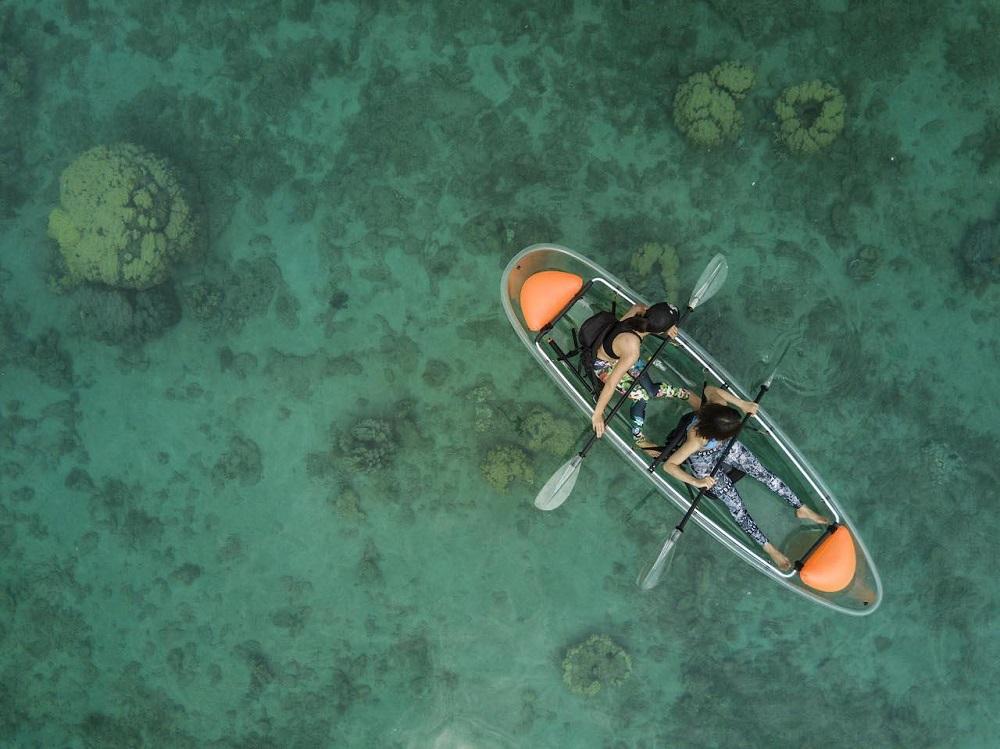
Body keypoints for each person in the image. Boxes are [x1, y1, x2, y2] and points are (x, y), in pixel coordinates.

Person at [660, 386, 828, 570]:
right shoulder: (696, 439)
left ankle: (802, 508)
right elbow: (669, 465)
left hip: (724, 445)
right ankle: (770, 549)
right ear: (720, 435)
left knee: (765, 475)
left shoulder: (718, 404)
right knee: (737, 506)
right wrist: (697, 482)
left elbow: (709, 389)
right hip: (702, 459)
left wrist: (743, 404)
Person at [586, 301, 700, 445]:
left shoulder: (637, 311)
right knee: (641, 396)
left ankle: (685, 394)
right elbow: (610, 384)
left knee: (651, 390)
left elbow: (640, 306)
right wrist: (597, 414)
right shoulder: (633, 350)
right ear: (659, 332)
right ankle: (638, 439)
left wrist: (666, 325)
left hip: (618, 351)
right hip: (603, 365)